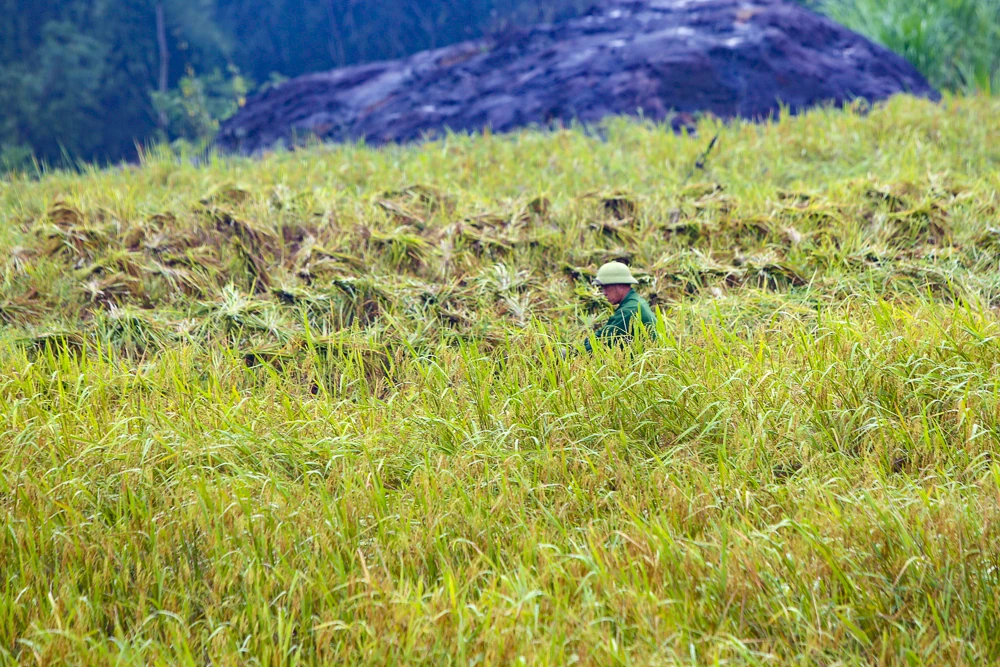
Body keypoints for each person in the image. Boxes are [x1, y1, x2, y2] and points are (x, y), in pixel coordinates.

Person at [584, 261, 657, 352]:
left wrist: (573, 351)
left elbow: (600, 343)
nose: (604, 293)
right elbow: (605, 331)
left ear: (619, 285)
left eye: (606, 287)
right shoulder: (634, 301)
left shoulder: (629, 310)